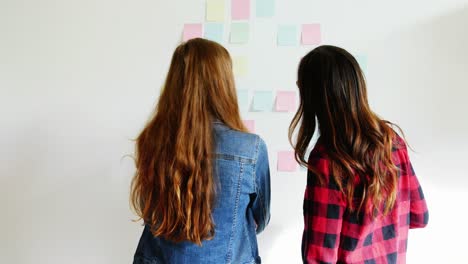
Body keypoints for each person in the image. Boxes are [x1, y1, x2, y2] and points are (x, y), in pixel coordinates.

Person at [130, 38, 271, 264]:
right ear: (223, 84)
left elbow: (150, 211)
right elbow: (261, 219)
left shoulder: (152, 141)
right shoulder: (250, 149)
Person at [289, 45, 429, 264]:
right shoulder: (390, 140)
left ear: (313, 95)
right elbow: (420, 216)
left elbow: (319, 255)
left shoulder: (328, 159)